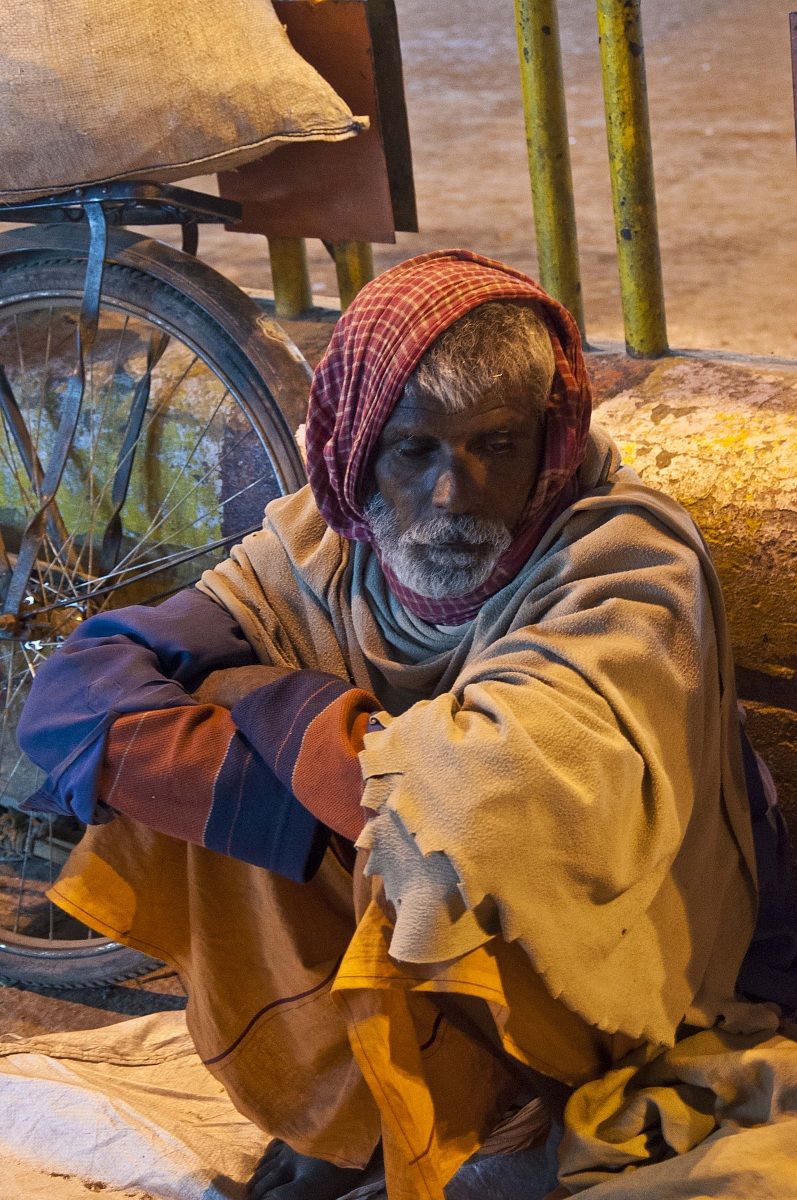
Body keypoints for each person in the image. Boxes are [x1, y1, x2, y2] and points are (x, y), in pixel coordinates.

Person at [18, 250, 761, 1200]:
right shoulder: (323, 547)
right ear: (355, 447)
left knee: (414, 821)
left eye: (497, 445)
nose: (455, 496)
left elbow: (479, 807)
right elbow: (74, 696)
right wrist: (312, 785)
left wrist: (270, 700)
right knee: (261, 786)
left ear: (551, 441)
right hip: (398, 899)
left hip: (597, 979)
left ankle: (491, 1107)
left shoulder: (625, 564)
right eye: (415, 450)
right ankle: (349, 1120)